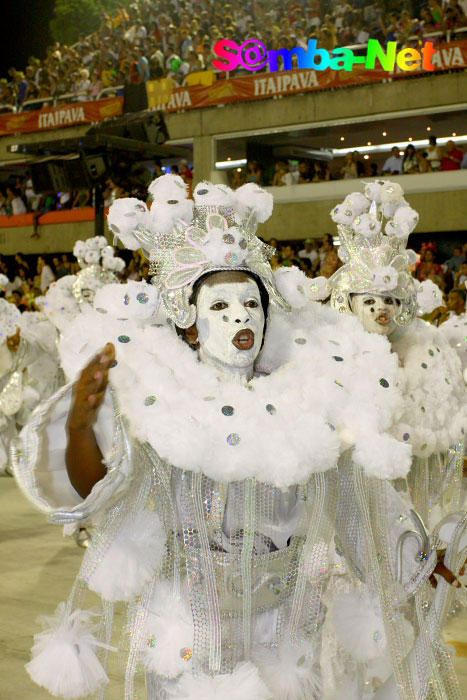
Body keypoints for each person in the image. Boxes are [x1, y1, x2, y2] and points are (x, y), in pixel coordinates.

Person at [13, 175, 460, 700]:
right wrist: (79, 428)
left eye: (250, 304)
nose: (240, 317)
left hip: (287, 634)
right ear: (192, 324)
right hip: (192, 636)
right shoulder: (164, 410)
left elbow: (358, 504)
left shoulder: (306, 406)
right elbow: (100, 494)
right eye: (220, 307)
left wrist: (420, 564)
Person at [329, 179, 465, 532]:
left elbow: (440, 436)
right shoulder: (331, 353)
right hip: (352, 499)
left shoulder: (426, 352)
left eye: (389, 301)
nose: (381, 310)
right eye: (370, 302)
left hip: (411, 497)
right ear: (352, 304)